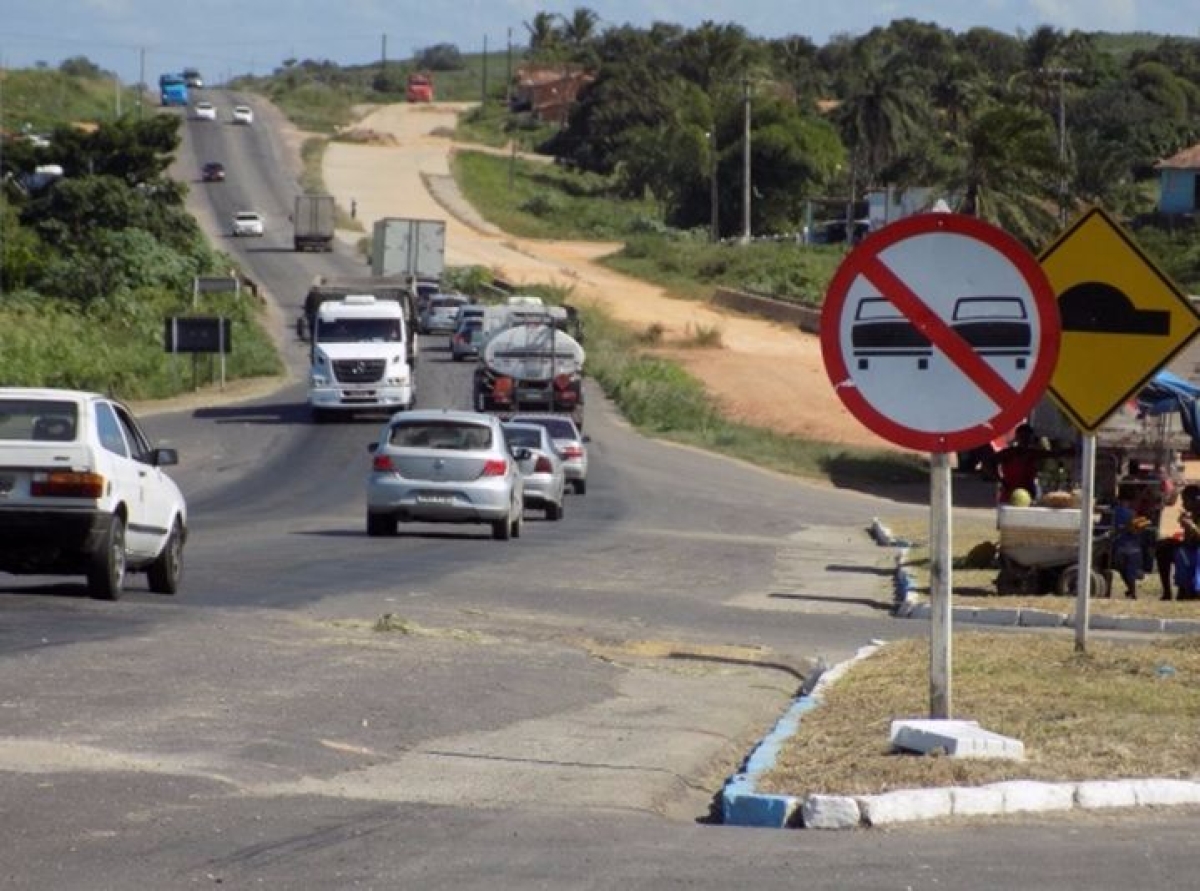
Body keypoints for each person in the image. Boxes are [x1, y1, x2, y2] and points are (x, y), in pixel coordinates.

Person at [994, 424, 1071, 504]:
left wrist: (1068, 451)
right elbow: (988, 463)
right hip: (1009, 494)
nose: (1025, 441)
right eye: (1022, 437)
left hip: (1028, 495)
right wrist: (1001, 480)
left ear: (1031, 439)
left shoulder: (1032, 453)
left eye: (1028, 438)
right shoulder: (1008, 453)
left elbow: (1052, 454)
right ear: (1017, 438)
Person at [1167, 484, 1200, 600]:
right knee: (1164, 547)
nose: (1183, 504)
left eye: (1185, 501)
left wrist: (1191, 526)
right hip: (1191, 547)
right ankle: (1168, 591)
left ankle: (1191, 589)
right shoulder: (1193, 514)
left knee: (1182, 554)